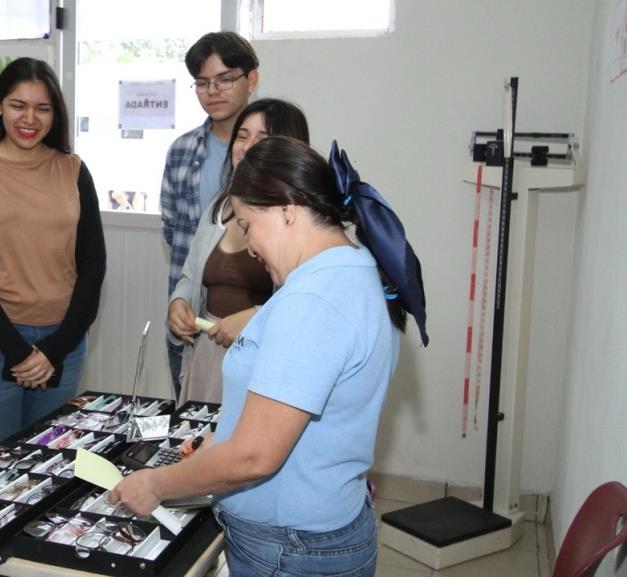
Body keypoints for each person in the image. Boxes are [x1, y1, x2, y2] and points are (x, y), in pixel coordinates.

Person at [112, 136, 429, 577]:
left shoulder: (313, 300)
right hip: (321, 527)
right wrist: (218, 447)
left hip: (290, 548)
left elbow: (255, 457)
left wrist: (156, 484)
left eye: (246, 223)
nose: (249, 245)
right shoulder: (356, 270)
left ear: (286, 208)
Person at [0, 58, 106, 449]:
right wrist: (18, 352)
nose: (29, 118)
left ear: (56, 114)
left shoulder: (73, 170)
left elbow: (93, 264)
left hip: (63, 341)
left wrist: (55, 349)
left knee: (49, 458)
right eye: (19, 105)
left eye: (43, 108)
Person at [168, 98, 309, 404]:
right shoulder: (218, 208)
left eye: (263, 138)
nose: (247, 146)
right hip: (207, 353)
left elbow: (309, 305)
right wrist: (179, 301)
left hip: (262, 364)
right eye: (242, 136)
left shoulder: (302, 221)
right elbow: (191, 274)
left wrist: (257, 317)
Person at [162, 31, 259, 397]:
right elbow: (175, 234)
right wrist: (178, 301)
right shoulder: (182, 150)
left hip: (258, 337)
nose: (212, 91)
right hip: (192, 327)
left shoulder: (279, 156)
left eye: (225, 79)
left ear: (252, 79)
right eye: (202, 83)